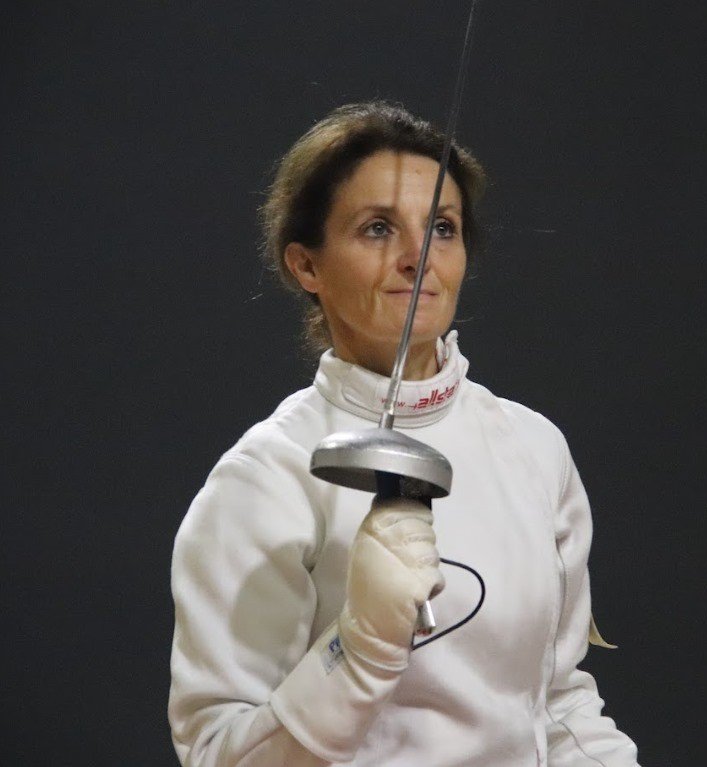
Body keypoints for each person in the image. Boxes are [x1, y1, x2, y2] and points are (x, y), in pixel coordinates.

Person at [168, 101, 641, 766]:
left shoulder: (533, 449)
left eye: (442, 228)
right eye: (377, 228)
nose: (418, 258)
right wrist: (359, 649)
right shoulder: (266, 477)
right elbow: (219, 753)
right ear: (306, 266)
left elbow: (557, 704)